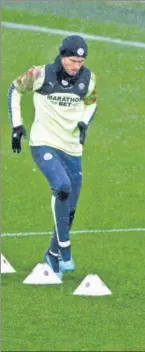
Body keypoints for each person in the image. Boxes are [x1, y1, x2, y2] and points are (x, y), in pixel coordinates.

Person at [7, 35, 98, 279]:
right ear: (61, 55)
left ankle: (53, 255)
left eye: (80, 61)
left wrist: (84, 122)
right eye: (72, 60)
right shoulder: (40, 74)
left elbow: (92, 102)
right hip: (43, 143)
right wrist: (17, 126)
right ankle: (66, 249)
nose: (76, 66)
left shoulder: (88, 79)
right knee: (62, 187)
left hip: (72, 150)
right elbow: (14, 89)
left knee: (70, 210)